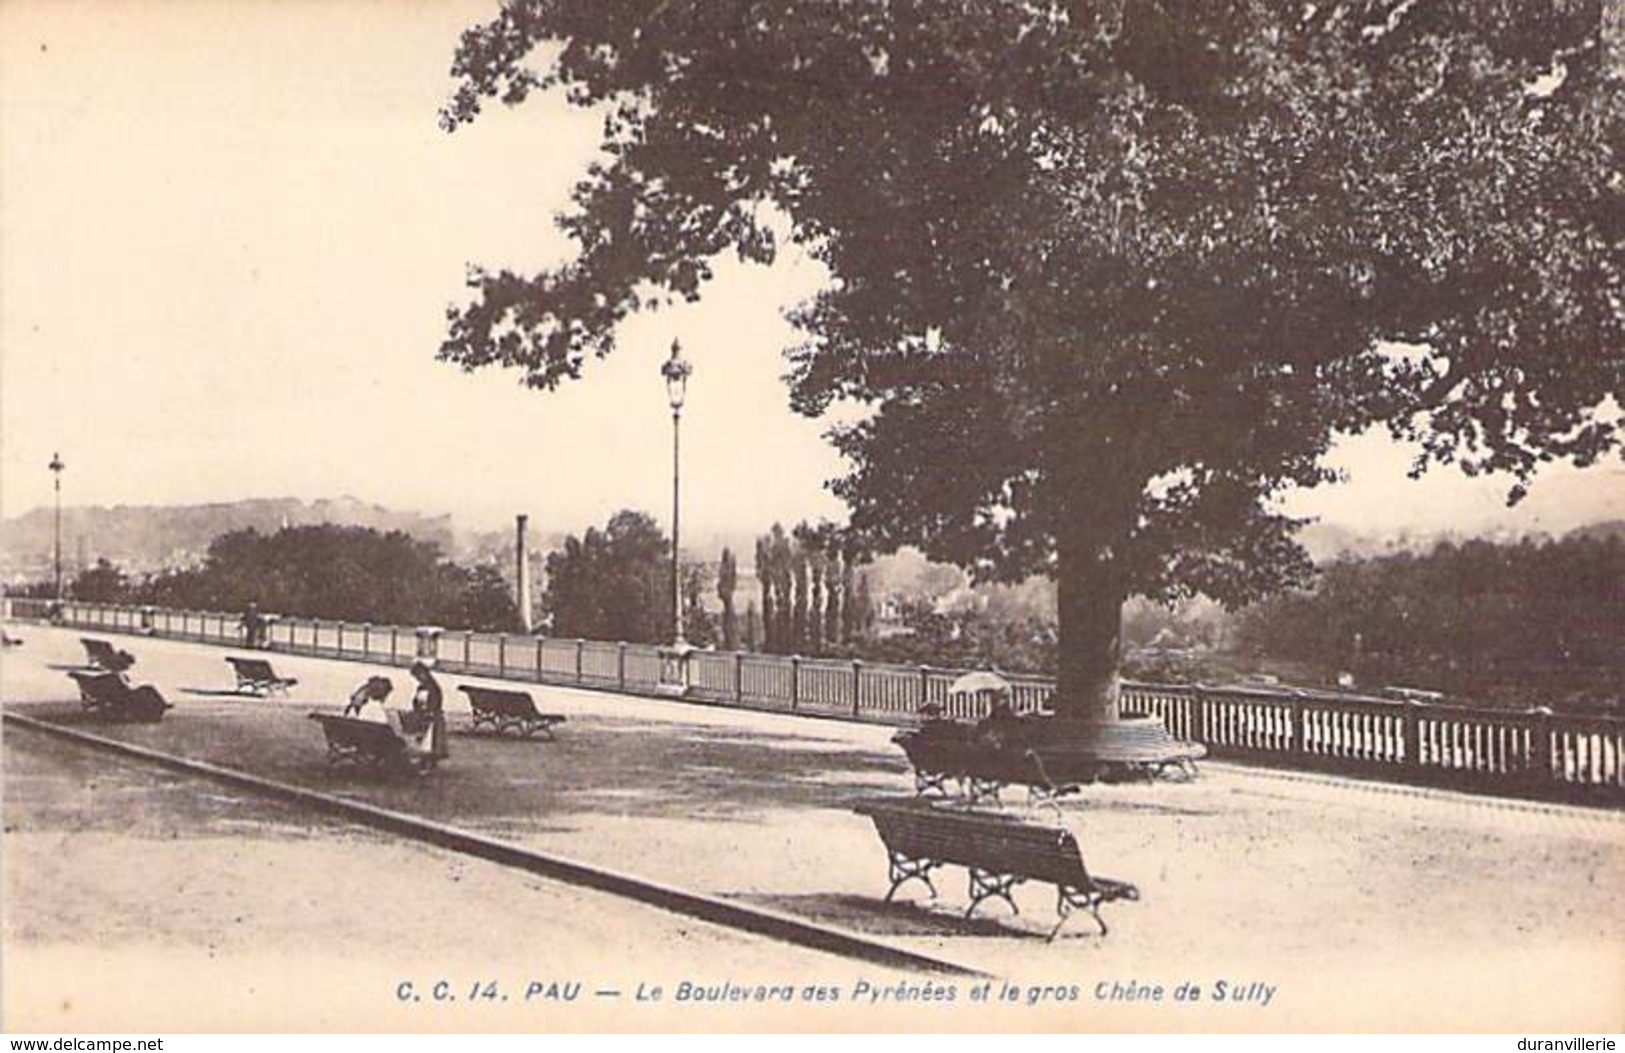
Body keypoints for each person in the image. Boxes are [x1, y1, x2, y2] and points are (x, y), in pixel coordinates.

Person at [408, 659, 449, 764]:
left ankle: (430, 761)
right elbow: (416, 701)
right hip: (423, 714)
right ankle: (424, 760)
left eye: (419, 675)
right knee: (423, 739)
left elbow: (436, 701)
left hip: (433, 716)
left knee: (431, 741)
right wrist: (417, 707)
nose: (418, 678)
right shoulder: (421, 687)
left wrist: (429, 710)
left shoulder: (433, 687)